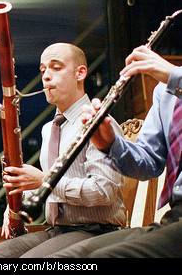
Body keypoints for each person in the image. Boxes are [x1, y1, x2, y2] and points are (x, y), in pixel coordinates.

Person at [0, 43, 125, 258]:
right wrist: (19, 202)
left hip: (96, 230)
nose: (46, 76)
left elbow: (103, 191)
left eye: (56, 67)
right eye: (43, 70)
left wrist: (44, 181)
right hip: (57, 230)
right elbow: (51, 189)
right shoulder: (49, 129)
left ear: (80, 73)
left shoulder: (99, 125)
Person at [48, 45, 182, 258]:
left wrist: (176, 77)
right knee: (68, 259)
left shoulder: (172, 80)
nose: (46, 76)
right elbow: (148, 163)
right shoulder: (163, 91)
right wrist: (110, 144)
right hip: (175, 217)